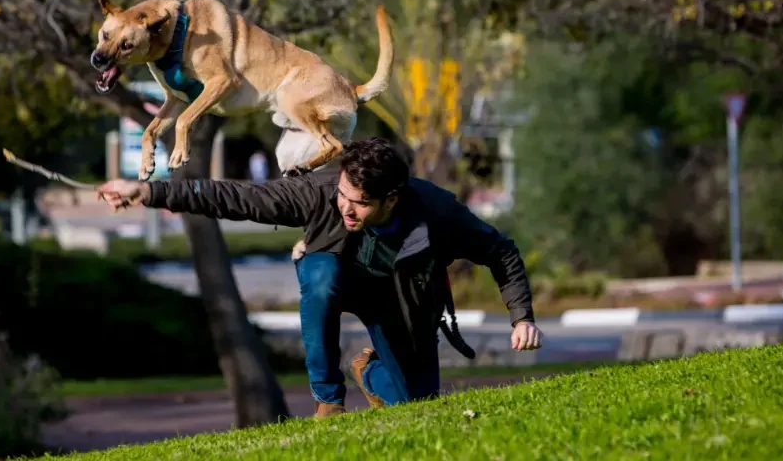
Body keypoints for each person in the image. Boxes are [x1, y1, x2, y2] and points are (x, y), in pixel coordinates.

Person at [97, 137, 542, 418]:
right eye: (344, 194)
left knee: (416, 408)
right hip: (339, 275)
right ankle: (328, 399)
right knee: (321, 276)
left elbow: (500, 250)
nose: (346, 207)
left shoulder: (436, 211)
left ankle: (370, 370)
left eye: (360, 203)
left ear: (391, 199)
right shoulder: (321, 192)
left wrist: (521, 316)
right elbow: (236, 196)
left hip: (402, 304)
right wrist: (149, 190)